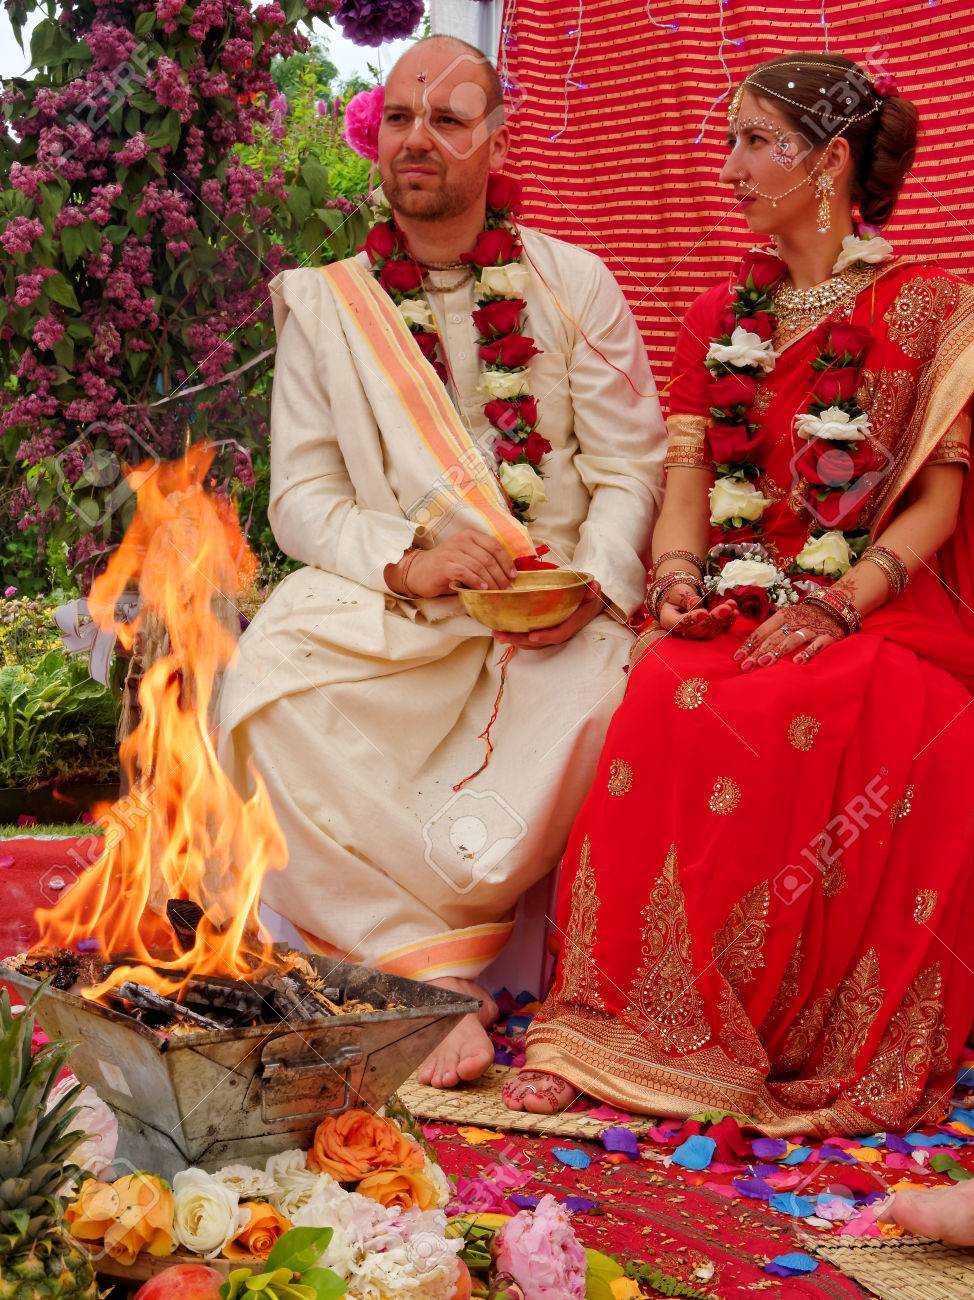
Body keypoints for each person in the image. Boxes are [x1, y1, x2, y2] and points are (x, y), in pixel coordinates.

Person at [504, 52, 974, 1135]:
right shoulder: (722, 308)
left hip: (874, 604)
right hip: (736, 597)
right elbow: (685, 483)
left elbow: (936, 504)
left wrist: (837, 601)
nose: (728, 167)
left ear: (832, 161)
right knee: (667, 675)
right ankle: (611, 1024)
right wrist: (672, 579)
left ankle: (782, 1029)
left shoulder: (929, 307)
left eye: (755, 140)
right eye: (729, 139)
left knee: (824, 702)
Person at [218, 36, 665, 1089]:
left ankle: (428, 956)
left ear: (494, 142)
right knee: (265, 680)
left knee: (611, 690)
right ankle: (413, 963)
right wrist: (406, 560)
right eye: (403, 117)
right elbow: (302, 498)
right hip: (402, 605)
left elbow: (629, 464)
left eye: (448, 120)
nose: (418, 139)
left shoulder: (572, 284)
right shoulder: (327, 304)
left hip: (544, 600)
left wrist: (589, 581)